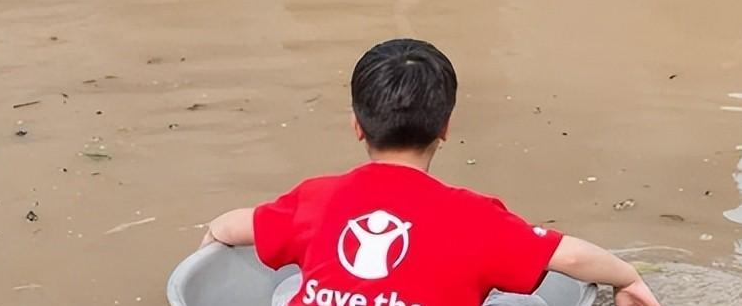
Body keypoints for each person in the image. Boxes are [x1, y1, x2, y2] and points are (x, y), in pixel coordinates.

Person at [201, 39, 662, 306]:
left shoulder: (314, 199)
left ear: (357, 126)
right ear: (445, 127)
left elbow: (227, 227)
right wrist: (628, 279)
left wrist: (206, 254)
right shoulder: (476, 217)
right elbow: (574, 259)